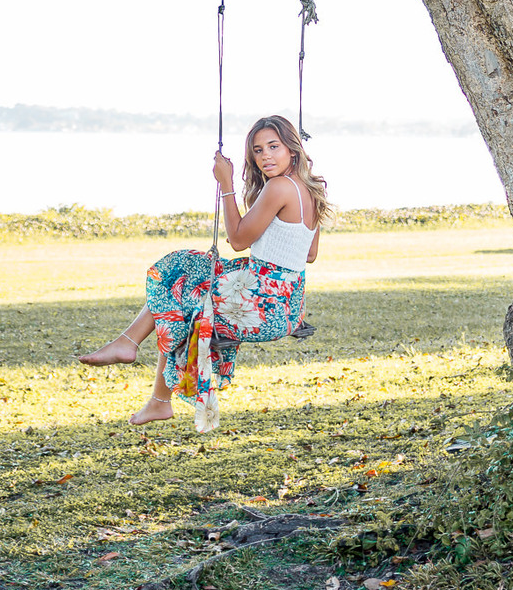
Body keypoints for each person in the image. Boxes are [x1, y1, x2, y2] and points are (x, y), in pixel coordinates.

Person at [79, 114, 328, 425]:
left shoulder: (278, 187)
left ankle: (137, 359)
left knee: (180, 281)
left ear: (292, 149)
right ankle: (147, 380)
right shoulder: (312, 187)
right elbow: (311, 254)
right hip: (288, 307)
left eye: (273, 147)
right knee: (188, 288)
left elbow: (237, 240)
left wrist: (226, 184)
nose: (265, 157)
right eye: (258, 150)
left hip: (260, 306)